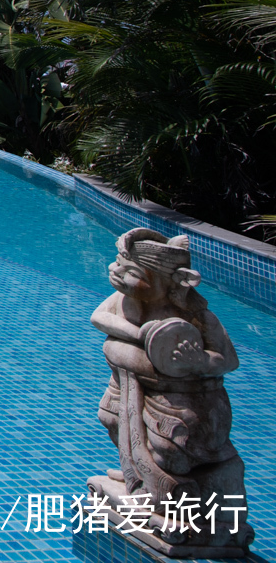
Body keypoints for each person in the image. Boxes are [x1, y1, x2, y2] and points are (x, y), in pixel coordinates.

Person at [88, 229, 253, 554]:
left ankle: (165, 494)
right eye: (118, 264)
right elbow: (99, 317)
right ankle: (132, 472)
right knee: (109, 418)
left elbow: (228, 360)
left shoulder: (196, 316)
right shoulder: (125, 302)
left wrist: (200, 360)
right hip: (128, 389)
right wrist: (141, 336)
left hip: (180, 403)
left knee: (172, 453)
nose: (115, 272)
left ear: (169, 283)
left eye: (130, 271)